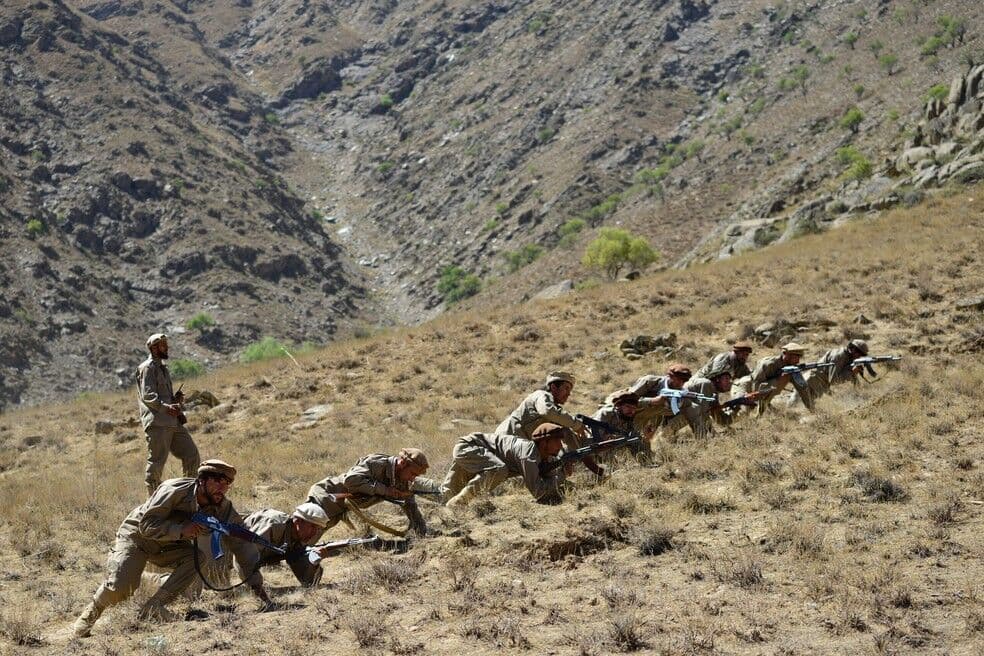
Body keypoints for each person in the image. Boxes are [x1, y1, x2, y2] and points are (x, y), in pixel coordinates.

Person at [72, 460, 271, 638]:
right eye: (218, 481)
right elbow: (147, 525)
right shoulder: (174, 489)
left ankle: (154, 606)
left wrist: (257, 587)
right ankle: (91, 612)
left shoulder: (222, 507)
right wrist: (182, 530)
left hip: (169, 545)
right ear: (202, 480)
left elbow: (241, 542)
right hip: (137, 537)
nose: (224, 488)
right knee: (121, 588)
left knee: (196, 559)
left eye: (228, 483)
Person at [306, 448, 440, 536]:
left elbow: (409, 503)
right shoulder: (377, 463)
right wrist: (385, 490)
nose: (413, 478)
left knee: (308, 539)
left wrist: (420, 530)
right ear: (402, 464)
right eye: (412, 473)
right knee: (304, 532)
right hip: (327, 495)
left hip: (343, 505)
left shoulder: (402, 479)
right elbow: (351, 480)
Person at [495, 372, 602, 476]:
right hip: (506, 442)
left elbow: (567, 435)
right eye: (566, 388)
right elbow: (547, 411)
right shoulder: (541, 396)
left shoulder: (556, 413)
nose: (569, 393)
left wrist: (581, 457)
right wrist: (576, 424)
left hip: (519, 448)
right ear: (554, 387)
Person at [443, 423, 569, 508]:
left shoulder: (547, 456)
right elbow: (538, 492)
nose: (560, 445)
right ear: (543, 443)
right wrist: (559, 475)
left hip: (481, 457)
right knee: (499, 469)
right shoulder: (528, 455)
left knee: (445, 495)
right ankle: (460, 502)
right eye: (557, 441)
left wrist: (558, 473)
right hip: (468, 447)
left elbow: (550, 487)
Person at [137, 333, 200, 495]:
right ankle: (153, 499)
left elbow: (163, 397)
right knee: (157, 462)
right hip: (158, 424)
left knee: (191, 454)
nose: (167, 347)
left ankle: (189, 494)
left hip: (172, 422)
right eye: (163, 345)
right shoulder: (147, 368)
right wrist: (167, 407)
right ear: (154, 348)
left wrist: (175, 399)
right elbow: (148, 396)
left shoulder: (163, 369)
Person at [233, 503, 332, 586]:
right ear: (298, 521)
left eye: (318, 529)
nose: (315, 532)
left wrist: (314, 562)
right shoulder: (273, 525)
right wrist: (256, 588)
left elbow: (310, 582)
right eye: (313, 526)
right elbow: (243, 554)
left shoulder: (300, 537)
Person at [732, 342, 814, 415]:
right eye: (795, 357)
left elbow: (803, 389)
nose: (798, 361)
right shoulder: (768, 364)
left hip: (762, 391)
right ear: (786, 354)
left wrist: (812, 410)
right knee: (742, 413)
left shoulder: (791, 369)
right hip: (743, 386)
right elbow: (756, 385)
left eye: (799, 357)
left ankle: (765, 408)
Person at [790, 339, 869, 406]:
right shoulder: (839, 356)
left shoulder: (848, 357)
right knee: (792, 408)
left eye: (862, 355)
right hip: (808, 383)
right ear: (853, 349)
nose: (859, 357)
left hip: (818, 386)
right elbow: (833, 380)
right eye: (859, 354)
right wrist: (852, 372)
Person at [626, 363, 693, 434]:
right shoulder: (650, 382)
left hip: (647, 423)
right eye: (678, 379)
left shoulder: (680, 392)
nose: (680, 383)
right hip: (626, 417)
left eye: (684, 381)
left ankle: (664, 435)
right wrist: (652, 401)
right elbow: (626, 401)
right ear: (670, 376)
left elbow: (670, 413)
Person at [591, 390, 648, 459]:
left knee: (635, 439)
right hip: (592, 445)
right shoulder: (606, 414)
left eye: (634, 408)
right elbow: (595, 435)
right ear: (618, 406)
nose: (632, 411)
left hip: (611, 444)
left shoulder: (628, 417)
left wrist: (645, 437)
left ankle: (647, 461)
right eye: (628, 407)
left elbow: (632, 436)